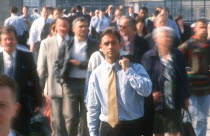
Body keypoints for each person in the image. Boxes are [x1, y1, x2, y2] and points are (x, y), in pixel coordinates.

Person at [86, 27, 152, 136]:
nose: (110, 47)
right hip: (107, 127)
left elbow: (146, 90)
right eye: (106, 44)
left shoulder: (135, 68)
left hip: (132, 126)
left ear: (120, 45)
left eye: (113, 43)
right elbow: (93, 107)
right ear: (101, 47)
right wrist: (93, 133)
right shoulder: (96, 74)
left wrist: (128, 70)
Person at [54, 17, 99, 136]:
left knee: (86, 116)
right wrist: (61, 80)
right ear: (73, 29)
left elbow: (97, 61)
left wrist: (81, 64)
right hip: (70, 84)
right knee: (71, 117)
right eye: (81, 26)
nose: (84, 29)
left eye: (86, 26)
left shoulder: (94, 43)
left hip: (88, 84)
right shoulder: (66, 44)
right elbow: (58, 64)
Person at [142, 26, 190, 136]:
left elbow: (183, 77)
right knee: (159, 132)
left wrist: (186, 96)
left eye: (170, 37)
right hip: (157, 103)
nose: (168, 39)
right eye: (165, 37)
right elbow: (145, 77)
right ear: (156, 39)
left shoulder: (178, 55)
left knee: (174, 131)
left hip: (174, 100)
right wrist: (152, 92)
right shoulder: (149, 56)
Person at [0, 26, 42, 136]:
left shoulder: (26, 57)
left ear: (16, 40)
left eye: (11, 39)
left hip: (23, 106)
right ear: (1, 42)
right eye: (6, 39)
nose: (9, 42)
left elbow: (35, 80)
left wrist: (38, 102)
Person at [37, 17, 70, 136]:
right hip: (54, 89)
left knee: (70, 121)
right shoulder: (46, 43)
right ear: (55, 27)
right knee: (57, 122)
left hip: (72, 90)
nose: (63, 28)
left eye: (66, 26)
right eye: (61, 25)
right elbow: (41, 69)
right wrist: (39, 91)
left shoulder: (74, 42)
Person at [178, 18, 210, 136]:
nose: (204, 30)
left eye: (205, 27)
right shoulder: (188, 45)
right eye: (201, 27)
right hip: (190, 90)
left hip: (206, 90)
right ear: (195, 29)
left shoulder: (208, 45)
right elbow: (177, 59)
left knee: (202, 119)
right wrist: (185, 72)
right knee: (189, 118)